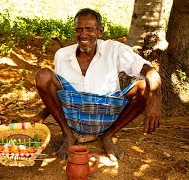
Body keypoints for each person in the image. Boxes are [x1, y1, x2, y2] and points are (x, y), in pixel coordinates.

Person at [33, 8, 162, 161]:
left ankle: (108, 136)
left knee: (145, 87)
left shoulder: (114, 49)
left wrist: (156, 96)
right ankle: (67, 135)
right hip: (75, 118)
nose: (83, 35)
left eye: (89, 29)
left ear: (100, 31)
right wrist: (42, 114)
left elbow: (150, 71)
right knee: (43, 75)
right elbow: (57, 94)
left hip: (108, 113)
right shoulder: (62, 55)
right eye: (79, 29)